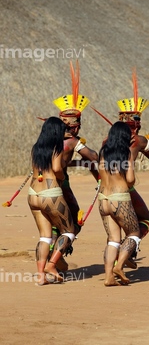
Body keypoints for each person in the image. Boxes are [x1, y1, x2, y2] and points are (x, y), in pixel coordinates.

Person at [50, 60, 99, 271]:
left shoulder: (49, 138)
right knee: (74, 223)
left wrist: (77, 162)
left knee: (53, 223)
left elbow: (62, 160)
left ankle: (52, 255)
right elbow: (95, 157)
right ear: (75, 125)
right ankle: (56, 256)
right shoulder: (72, 141)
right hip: (61, 184)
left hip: (42, 185)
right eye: (78, 123)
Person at [116, 71, 149, 266]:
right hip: (126, 187)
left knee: (117, 226)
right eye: (138, 121)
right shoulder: (139, 141)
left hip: (105, 188)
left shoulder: (107, 140)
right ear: (136, 124)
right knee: (145, 219)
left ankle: (122, 253)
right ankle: (128, 250)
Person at [27, 117, 76, 286]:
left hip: (33, 193)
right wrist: (62, 179)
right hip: (50, 193)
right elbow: (56, 169)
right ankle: (52, 265)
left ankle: (41, 276)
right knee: (69, 231)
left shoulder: (36, 148)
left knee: (45, 237)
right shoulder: (56, 147)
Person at [98, 121, 140, 286]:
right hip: (119, 198)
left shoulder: (103, 153)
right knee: (134, 234)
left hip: (104, 199)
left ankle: (109, 277)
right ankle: (119, 266)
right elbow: (130, 180)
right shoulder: (126, 153)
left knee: (113, 240)